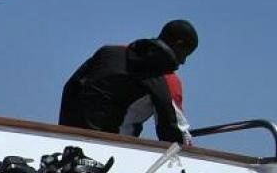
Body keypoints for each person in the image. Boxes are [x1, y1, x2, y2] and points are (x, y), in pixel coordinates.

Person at [59, 20, 198, 145]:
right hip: (113, 149)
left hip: (68, 140)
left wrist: (66, 131)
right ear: (178, 44)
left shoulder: (107, 52)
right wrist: (184, 142)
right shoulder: (167, 79)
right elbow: (175, 133)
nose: (183, 62)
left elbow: (71, 87)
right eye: (185, 54)